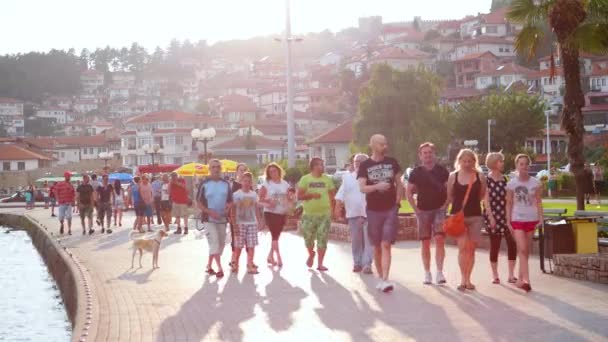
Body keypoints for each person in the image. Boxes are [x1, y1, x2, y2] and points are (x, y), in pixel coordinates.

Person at [358, 135, 403, 293]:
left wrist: (398, 202)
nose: (385, 146)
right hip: (373, 210)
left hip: (390, 208)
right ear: (373, 145)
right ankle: (381, 278)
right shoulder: (365, 165)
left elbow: (399, 183)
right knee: (377, 246)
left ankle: (385, 279)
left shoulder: (392, 162)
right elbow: (362, 188)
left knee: (386, 244)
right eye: (381, 144)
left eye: (386, 143)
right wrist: (377, 187)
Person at [406, 142, 449, 285]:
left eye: (430, 152)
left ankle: (440, 272)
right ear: (420, 155)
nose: (428, 155)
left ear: (434, 154)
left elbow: (449, 190)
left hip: (439, 210)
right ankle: (427, 273)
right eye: (425, 153)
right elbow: (408, 192)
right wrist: (415, 209)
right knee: (425, 243)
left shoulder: (442, 171)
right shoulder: (416, 172)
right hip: (423, 211)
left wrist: (445, 205)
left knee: (439, 240)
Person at [445, 149, 487, 292]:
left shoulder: (480, 176)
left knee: (471, 249)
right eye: (464, 161)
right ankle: (463, 279)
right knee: (462, 247)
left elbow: (481, 195)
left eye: (470, 161)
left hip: (475, 215)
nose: (467, 164)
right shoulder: (453, 176)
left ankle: (469, 279)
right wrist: (444, 211)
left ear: (474, 162)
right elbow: (450, 196)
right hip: (458, 216)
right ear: (459, 161)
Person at [506, 154, 543, 292]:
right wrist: (508, 221)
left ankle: (521, 279)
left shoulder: (536, 183)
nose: (524, 167)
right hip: (517, 219)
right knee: (521, 248)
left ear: (529, 165)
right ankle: (527, 280)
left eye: (526, 164)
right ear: (517, 166)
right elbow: (508, 204)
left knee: (526, 251)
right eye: (521, 164)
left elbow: (539, 202)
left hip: (531, 219)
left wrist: (541, 219)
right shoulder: (511, 184)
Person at [336, 153, 373, 274]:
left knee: (369, 241)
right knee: (356, 241)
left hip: (370, 213)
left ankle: (367, 264)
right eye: (356, 161)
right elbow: (340, 194)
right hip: (353, 214)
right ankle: (357, 262)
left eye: (362, 162)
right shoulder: (347, 178)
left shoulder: (372, 178)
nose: (358, 164)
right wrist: (337, 207)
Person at [298, 157, 336, 272]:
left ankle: (320, 264)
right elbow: (299, 196)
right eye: (320, 165)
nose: (322, 167)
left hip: (324, 214)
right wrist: (311, 196)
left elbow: (332, 197)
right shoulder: (305, 179)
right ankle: (311, 254)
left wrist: (333, 212)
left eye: (322, 165)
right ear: (313, 166)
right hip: (308, 215)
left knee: (322, 238)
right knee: (308, 239)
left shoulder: (327, 180)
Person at [484, 152, 517, 284]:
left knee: (512, 243)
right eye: (500, 161)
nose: (503, 163)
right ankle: (495, 275)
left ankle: (511, 274)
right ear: (494, 163)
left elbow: (509, 199)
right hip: (493, 215)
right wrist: (491, 217)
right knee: (495, 245)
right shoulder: (487, 180)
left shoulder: (505, 179)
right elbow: (485, 201)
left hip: (506, 215)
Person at [197, 159, 233, 278]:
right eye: (213, 167)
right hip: (208, 219)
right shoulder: (204, 184)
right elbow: (198, 202)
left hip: (222, 220)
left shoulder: (226, 184)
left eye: (218, 167)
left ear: (221, 169)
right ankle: (219, 268)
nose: (216, 169)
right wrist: (209, 212)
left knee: (220, 244)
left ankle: (209, 265)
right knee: (215, 243)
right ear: (209, 169)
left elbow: (230, 201)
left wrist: (228, 209)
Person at [259, 163, 291, 268]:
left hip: (281, 212)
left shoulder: (285, 184)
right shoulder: (267, 183)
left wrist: (289, 208)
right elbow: (260, 199)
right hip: (270, 212)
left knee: (276, 236)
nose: (273, 173)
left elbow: (289, 197)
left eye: (274, 171)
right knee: (274, 235)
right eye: (270, 171)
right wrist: (268, 201)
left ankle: (270, 256)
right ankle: (278, 257)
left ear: (279, 171)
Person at [231, 172, 263, 274]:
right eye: (245, 181)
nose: (247, 183)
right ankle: (235, 263)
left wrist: (259, 221)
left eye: (249, 181)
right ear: (241, 182)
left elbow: (257, 209)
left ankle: (250, 265)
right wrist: (234, 224)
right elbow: (232, 210)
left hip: (252, 223)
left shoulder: (254, 194)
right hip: (240, 223)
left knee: (251, 246)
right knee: (238, 246)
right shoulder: (236, 194)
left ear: (251, 183)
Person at [229, 163, 249, 268]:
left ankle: (249, 261)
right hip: (235, 216)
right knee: (235, 237)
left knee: (247, 238)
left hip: (248, 216)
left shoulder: (248, 184)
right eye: (240, 170)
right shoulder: (234, 184)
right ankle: (233, 259)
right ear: (237, 171)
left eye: (244, 170)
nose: (242, 172)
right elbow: (230, 200)